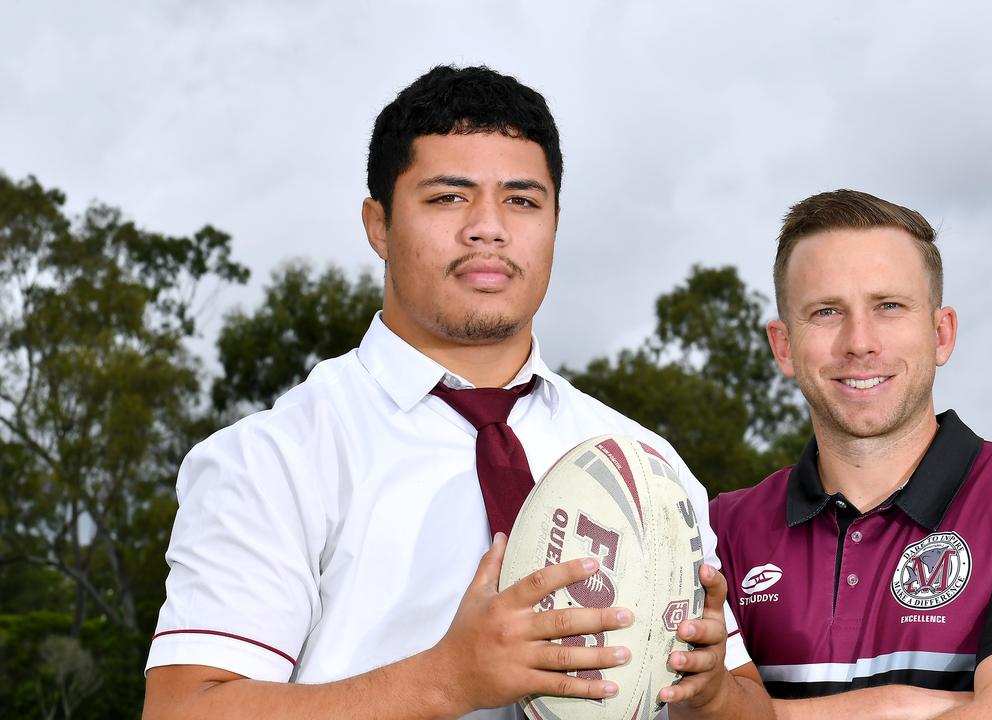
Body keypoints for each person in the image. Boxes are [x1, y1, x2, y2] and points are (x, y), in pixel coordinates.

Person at [142, 65, 770, 720]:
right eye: (449, 197)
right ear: (378, 224)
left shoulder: (643, 466)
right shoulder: (276, 457)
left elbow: (750, 705)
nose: (488, 228)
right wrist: (448, 680)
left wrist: (712, 694)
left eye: (523, 201)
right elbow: (184, 707)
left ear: (555, 220)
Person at [709, 189, 992, 718]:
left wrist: (749, 711)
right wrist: (901, 707)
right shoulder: (713, 529)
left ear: (941, 333)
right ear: (784, 346)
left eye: (889, 307)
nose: (859, 342)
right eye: (827, 311)